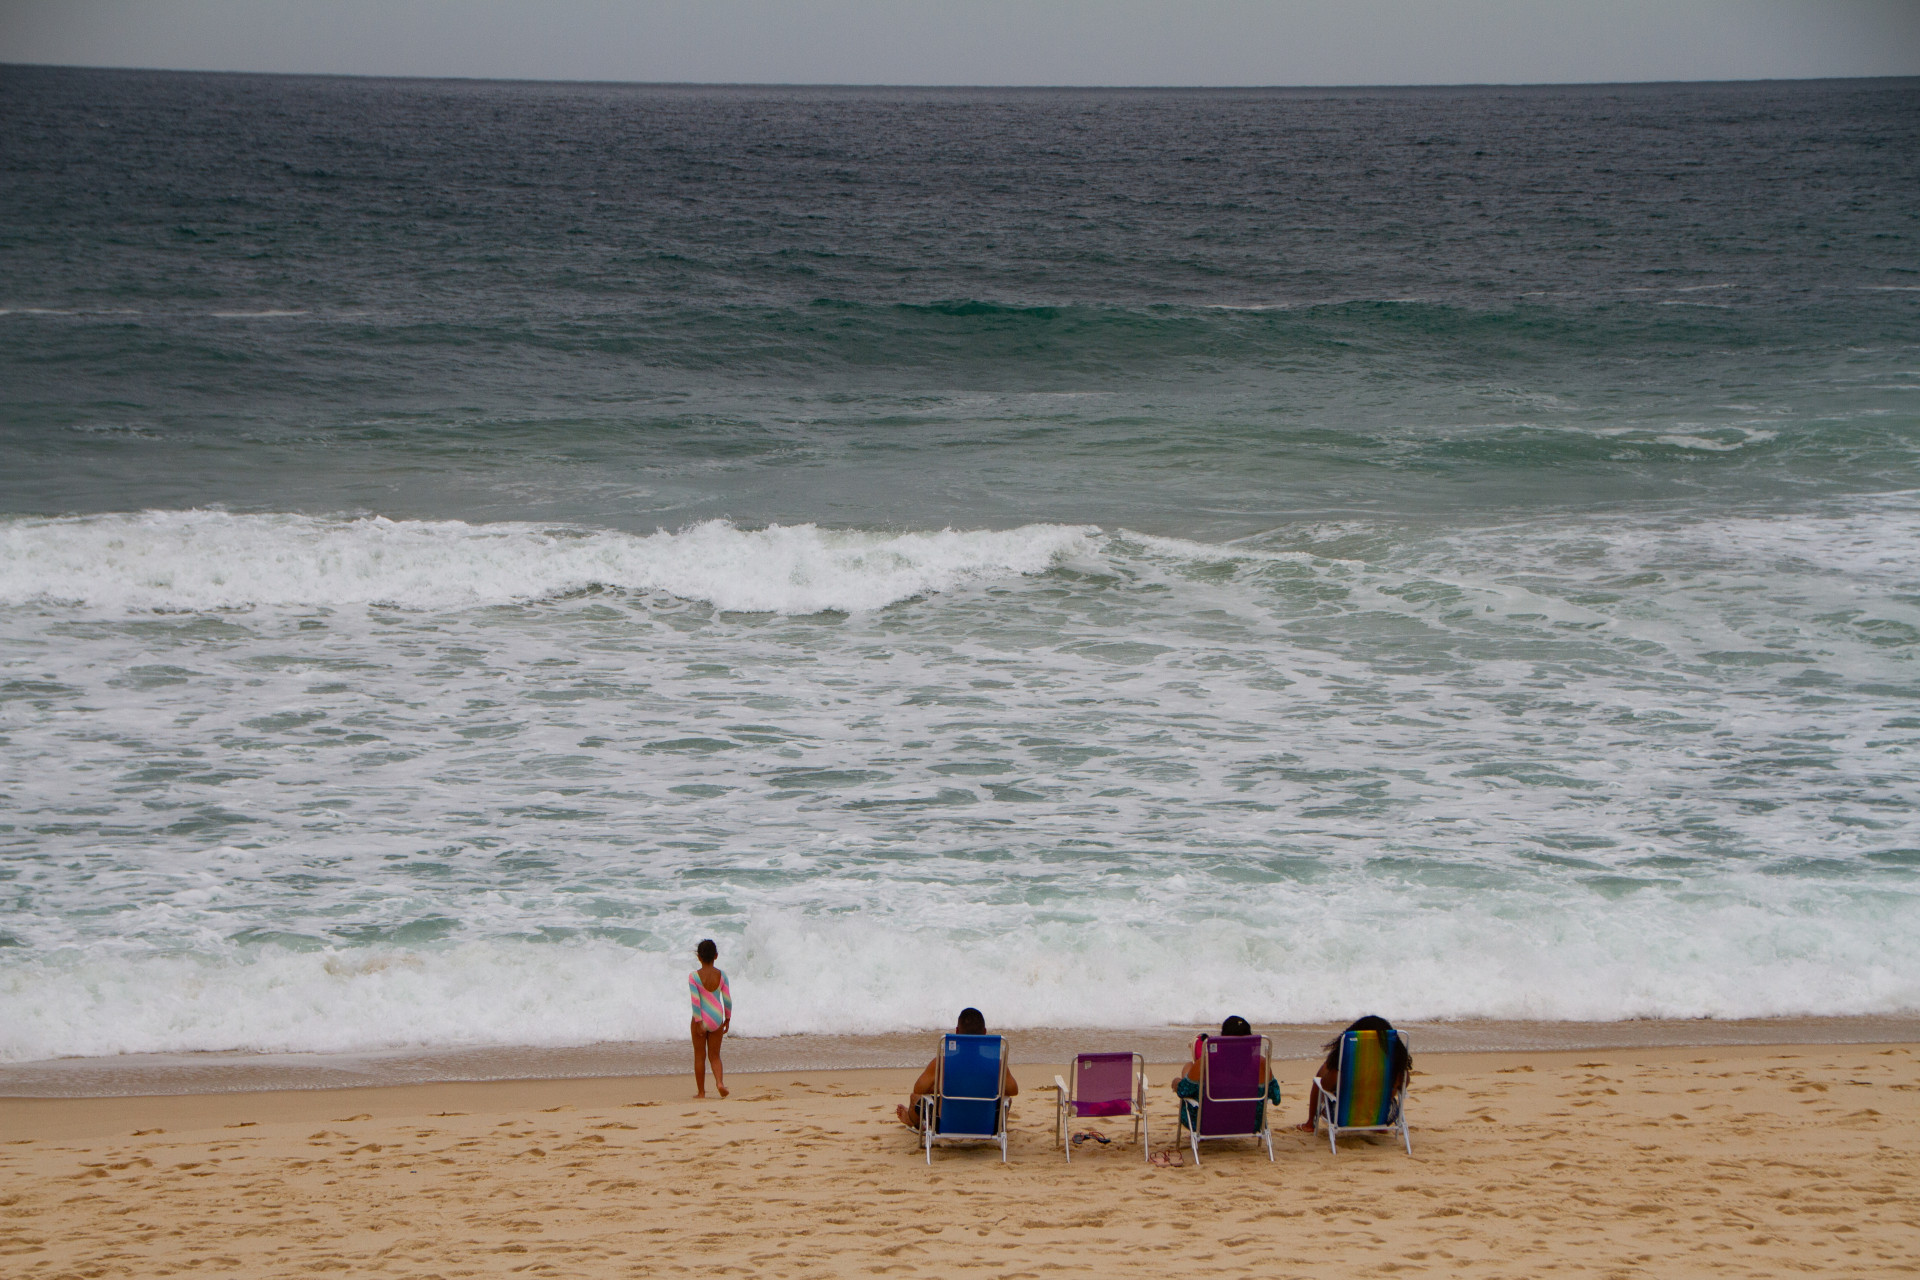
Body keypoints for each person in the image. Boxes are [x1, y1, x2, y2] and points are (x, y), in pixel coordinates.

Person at [1165, 1015, 1281, 1154]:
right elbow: (1276, 1098)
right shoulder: (1261, 1064)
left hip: (1207, 1124)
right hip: (1250, 1123)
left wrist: (1176, 1082)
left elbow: (1183, 1092)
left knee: (1189, 1071)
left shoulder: (1206, 1061)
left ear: (1223, 1040)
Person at [895, 1007, 1019, 1130]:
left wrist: (945, 1086)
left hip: (947, 1124)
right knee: (1006, 1100)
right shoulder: (997, 1064)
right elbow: (1013, 1090)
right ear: (985, 1032)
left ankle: (912, 1121)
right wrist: (982, 1085)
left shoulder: (941, 1062)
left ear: (957, 1032)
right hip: (987, 1124)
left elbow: (919, 1089)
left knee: (914, 1098)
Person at [1298, 1014, 1412, 1131]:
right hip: (1385, 1116)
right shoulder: (1392, 1064)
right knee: (1389, 1092)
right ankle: (1379, 1127)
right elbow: (1404, 1083)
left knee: (1321, 1075)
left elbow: (1326, 1085)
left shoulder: (1348, 1062)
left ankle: (1310, 1123)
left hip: (1343, 1116)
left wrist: (1328, 1070)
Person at [689, 939, 732, 1099]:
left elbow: (695, 1001)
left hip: (701, 1018)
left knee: (699, 1056)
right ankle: (720, 1083)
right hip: (716, 1018)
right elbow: (727, 999)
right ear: (716, 955)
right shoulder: (722, 976)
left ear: (699, 957)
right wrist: (727, 1018)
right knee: (715, 1056)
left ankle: (701, 1092)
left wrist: (699, 1022)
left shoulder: (694, 976)